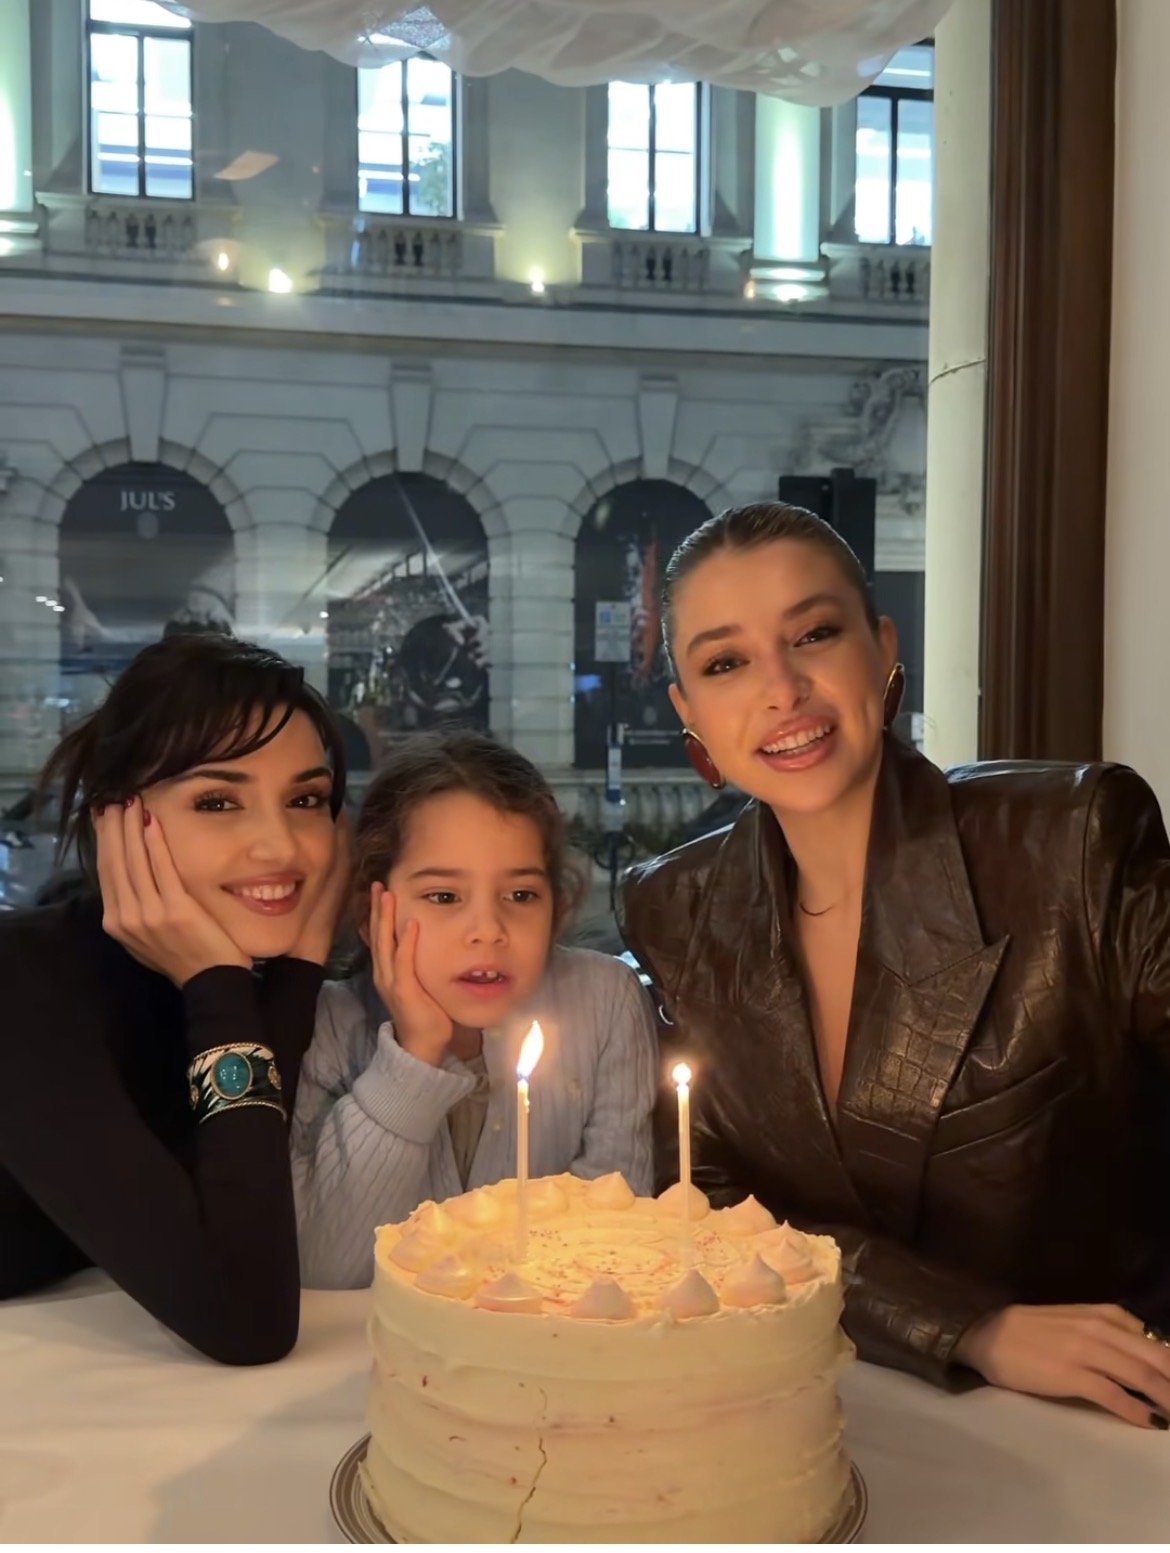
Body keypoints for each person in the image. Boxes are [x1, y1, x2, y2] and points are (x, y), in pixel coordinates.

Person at [620, 501, 1170, 1429]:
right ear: (689, 713)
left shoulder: (1073, 841)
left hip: (1104, 1426)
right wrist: (971, 1326)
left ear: (881, 649)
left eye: (814, 634)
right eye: (726, 663)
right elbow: (712, 1208)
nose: (782, 689)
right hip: (819, 1419)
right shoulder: (675, 906)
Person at [0, 635, 350, 1364]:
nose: (282, 846)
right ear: (119, 821)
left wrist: (288, 978)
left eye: (306, 800)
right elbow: (248, 1321)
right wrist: (232, 984)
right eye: (218, 801)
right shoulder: (22, 984)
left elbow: (238, 1216)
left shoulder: (228, 981)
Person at [292, 730, 657, 1289]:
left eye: (520, 895)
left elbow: (612, 1240)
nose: (488, 930)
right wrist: (414, 1055)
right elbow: (328, 1269)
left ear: (557, 907)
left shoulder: (605, 1000)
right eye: (444, 897)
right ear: (372, 914)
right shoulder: (327, 1027)